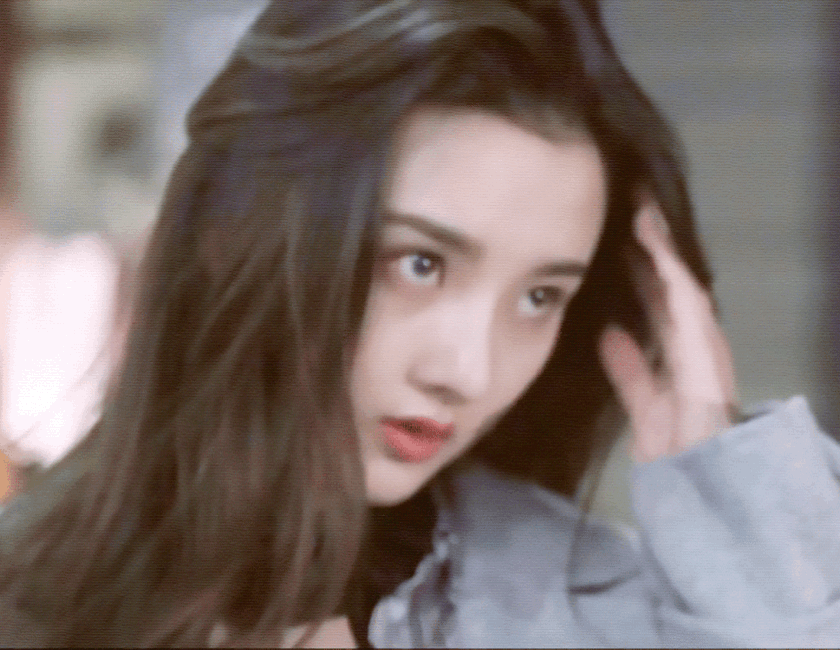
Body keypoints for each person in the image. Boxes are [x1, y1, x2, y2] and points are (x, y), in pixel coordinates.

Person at [1, 0, 838, 646]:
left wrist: (719, 461)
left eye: (540, 297)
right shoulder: (32, 599)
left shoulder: (592, 606)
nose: (469, 373)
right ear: (238, 232)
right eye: (421, 264)